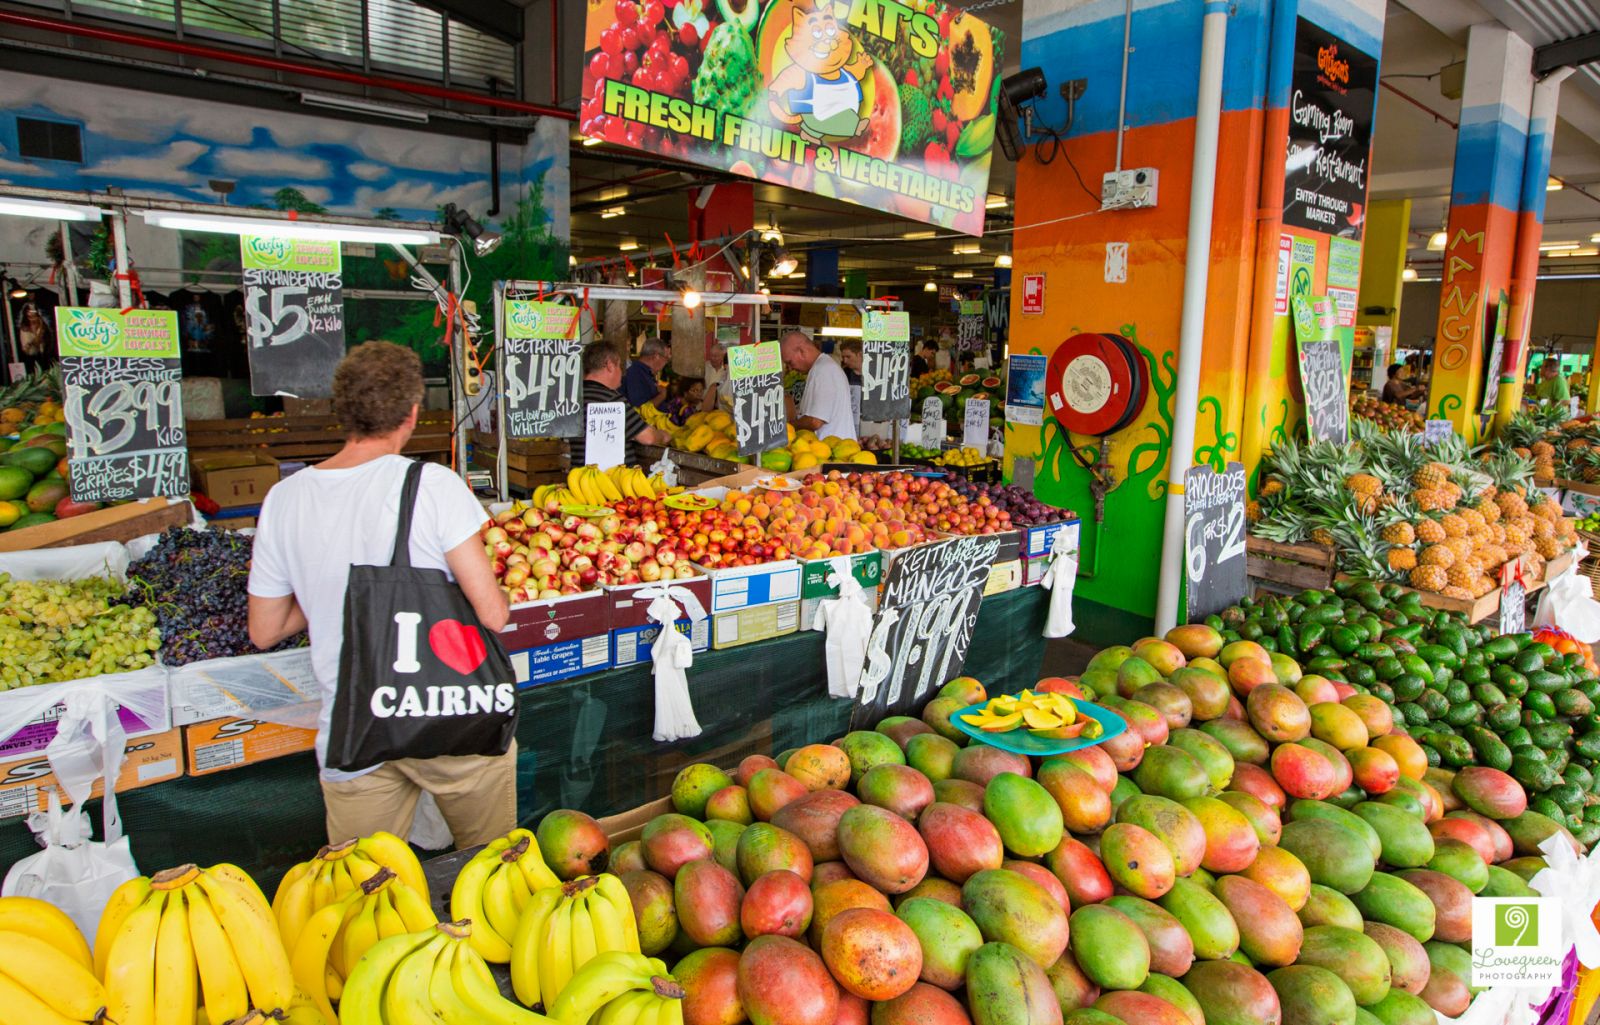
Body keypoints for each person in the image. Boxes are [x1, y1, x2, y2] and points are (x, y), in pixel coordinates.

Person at [246, 341, 514, 848]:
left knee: (367, 889)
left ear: (343, 412)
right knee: (491, 864)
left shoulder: (285, 498)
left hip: (354, 727)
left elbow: (265, 630)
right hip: (447, 717)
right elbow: (492, 614)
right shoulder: (433, 485)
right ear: (412, 414)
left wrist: (330, 583)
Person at [572, 340, 670, 466]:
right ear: (610, 366)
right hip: (611, 479)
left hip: (581, 476)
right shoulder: (612, 400)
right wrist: (663, 436)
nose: (622, 372)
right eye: (619, 366)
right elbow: (648, 437)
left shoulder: (574, 399)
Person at [781, 329, 857, 441]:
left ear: (801, 351)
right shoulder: (822, 367)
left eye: (790, 362)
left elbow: (815, 421)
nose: (791, 368)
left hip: (835, 451)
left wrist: (788, 427)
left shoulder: (823, 370)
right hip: (830, 450)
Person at [622, 337, 671, 408]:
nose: (666, 362)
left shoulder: (644, 373)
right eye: (666, 358)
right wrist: (662, 395)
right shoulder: (635, 375)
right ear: (656, 356)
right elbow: (640, 410)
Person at [702, 342, 732, 413]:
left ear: (723, 356)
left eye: (716, 356)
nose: (713, 358)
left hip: (722, 408)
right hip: (704, 406)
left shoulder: (728, 371)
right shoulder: (703, 367)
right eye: (711, 355)